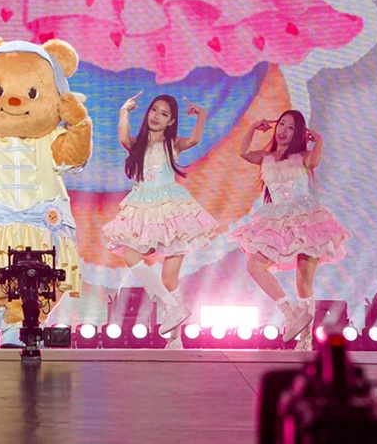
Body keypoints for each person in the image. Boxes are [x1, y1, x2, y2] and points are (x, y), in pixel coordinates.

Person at [101, 93, 217, 344]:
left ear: (171, 120)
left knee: (169, 279)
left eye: (164, 114)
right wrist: (124, 112)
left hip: (172, 209)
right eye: (154, 110)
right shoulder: (138, 144)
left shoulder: (173, 143)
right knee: (130, 254)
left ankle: (175, 340)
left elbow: (195, 139)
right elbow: (123, 138)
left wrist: (202, 115)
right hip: (144, 207)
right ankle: (172, 306)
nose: (157, 116)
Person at [229, 110, 350, 345]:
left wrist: (319, 140)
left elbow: (314, 161)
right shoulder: (266, 157)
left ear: (298, 133)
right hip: (277, 219)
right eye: (282, 124)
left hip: (305, 218)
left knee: (304, 282)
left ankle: (306, 339)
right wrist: (253, 127)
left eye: (291, 127)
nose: (283, 130)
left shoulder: (302, 156)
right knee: (254, 265)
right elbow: (243, 152)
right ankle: (290, 311)